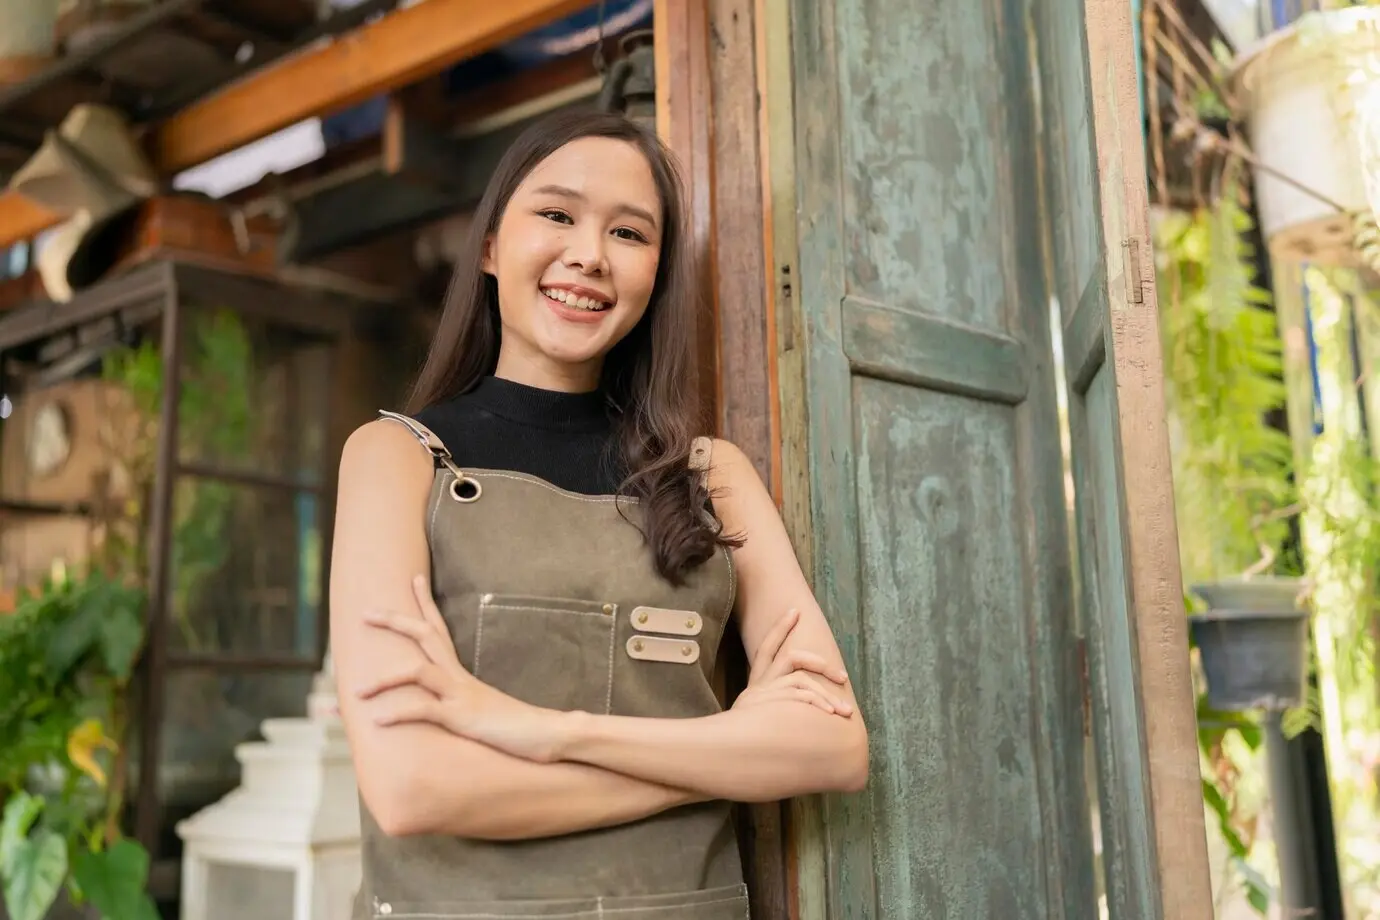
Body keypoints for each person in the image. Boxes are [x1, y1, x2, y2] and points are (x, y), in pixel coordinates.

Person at [329, 108, 869, 920]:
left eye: (630, 233)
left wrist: (545, 732)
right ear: (489, 246)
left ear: (656, 273)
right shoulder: (396, 457)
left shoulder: (711, 476)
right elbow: (409, 787)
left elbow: (833, 746)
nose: (588, 254)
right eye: (555, 214)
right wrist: (721, 754)